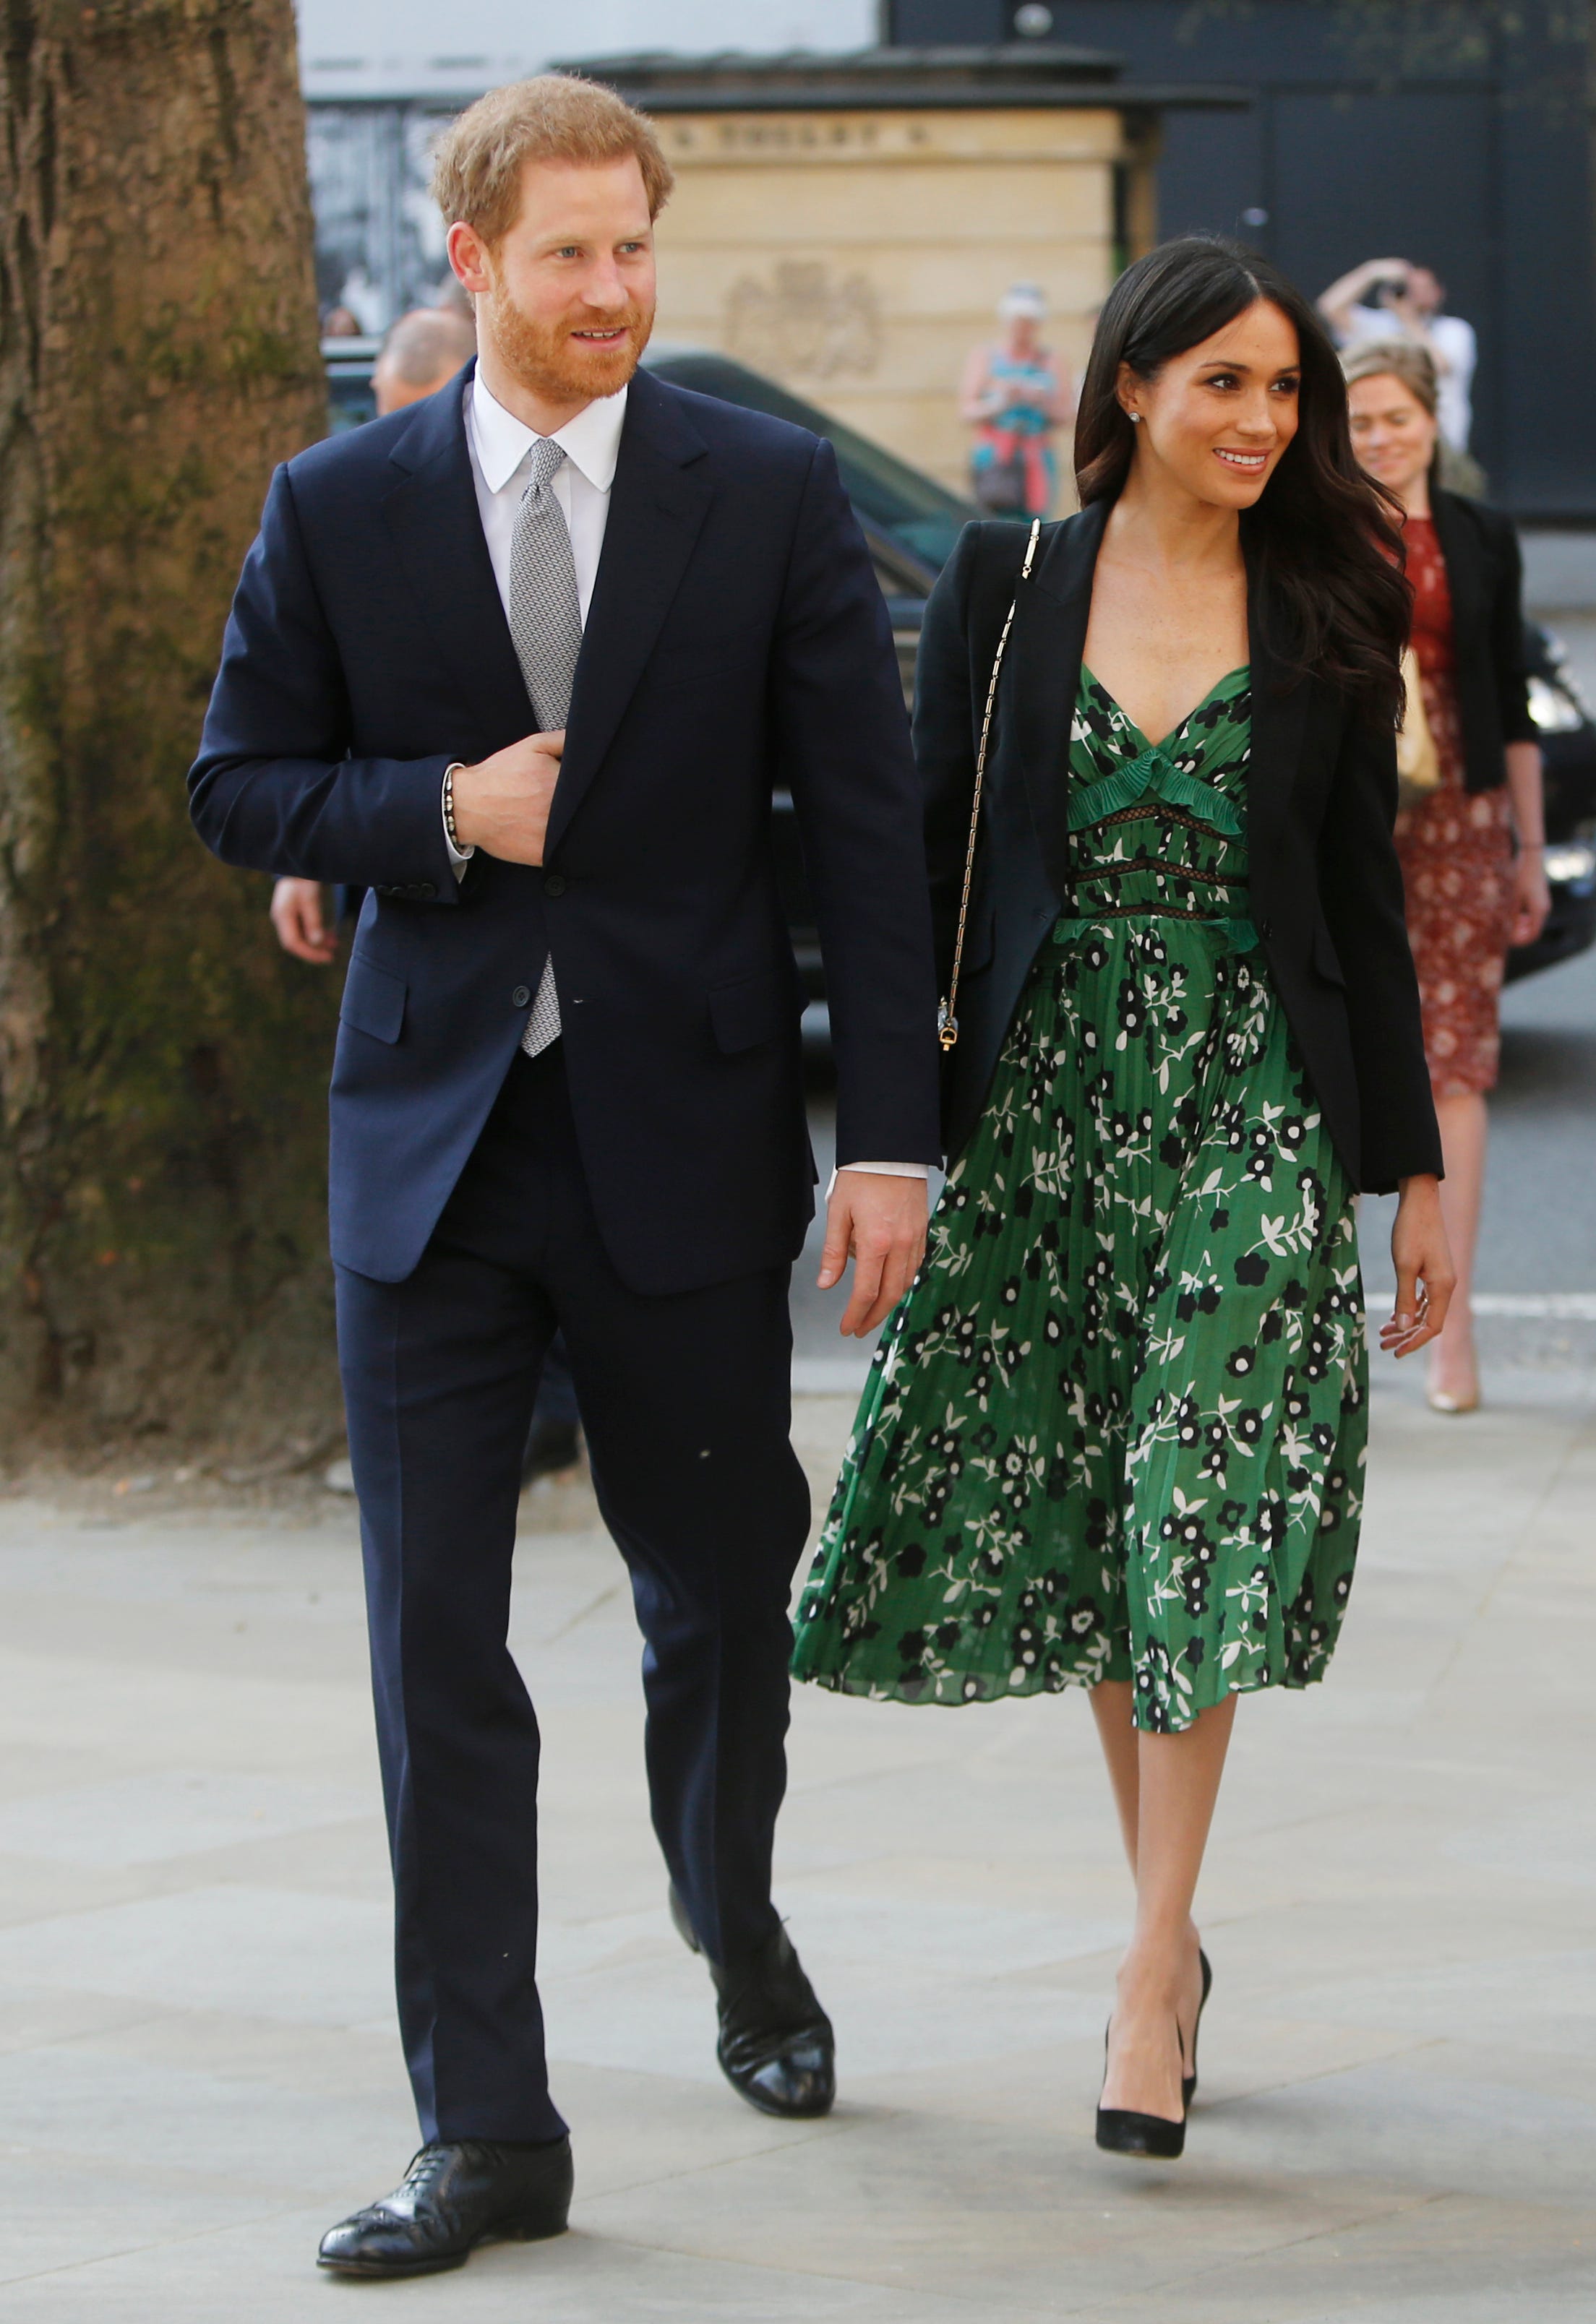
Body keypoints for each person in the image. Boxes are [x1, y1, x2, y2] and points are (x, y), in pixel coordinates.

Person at [190, 73, 940, 2278]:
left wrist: (886, 1133)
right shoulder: (338, 506)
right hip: (426, 1157)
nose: (614, 291)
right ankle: (485, 2125)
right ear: (473, 263)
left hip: (687, 1151)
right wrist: (432, 814)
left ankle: (736, 1927)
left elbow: (861, 838)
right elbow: (245, 783)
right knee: (435, 1647)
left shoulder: (767, 492)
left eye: (636, 249)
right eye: (570, 255)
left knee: (718, 1600)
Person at [794, 237, 1453, 2161]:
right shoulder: (1003, 587)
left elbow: (1359, 910)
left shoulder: (1334, 590)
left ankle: (1153, 1967)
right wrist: (894, 1148)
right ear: (1131, 391)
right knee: (1104, 1508)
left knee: (1204, 1494)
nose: (1263, 422)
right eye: (1226, 385)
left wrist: (1409, 1168)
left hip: (1250, 1091)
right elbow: (921, 875)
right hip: (1050, 1103)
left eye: (1285, 392)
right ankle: (1166, 1931)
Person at [1344, 340, 1548, 1413]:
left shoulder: (1477, 534)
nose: (1379, 437)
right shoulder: (1319, 529)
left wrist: (1526, 847)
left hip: (1461, 812)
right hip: (1345, 814)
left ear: (1430, 419)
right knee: (1336, 1047)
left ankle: (1452, 1332)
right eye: (1360, 422)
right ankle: (1336, 1314)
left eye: (1395, 417)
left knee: (1456, 1065)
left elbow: (1507, 693)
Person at [1317, 258, 1477, 455]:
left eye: (1422, 288)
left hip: (1444, 442)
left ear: (1438, 292)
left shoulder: (1454, 330)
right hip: (1381, 442)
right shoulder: (1380, 325)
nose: (1414, 295)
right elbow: (1329, 308)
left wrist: (1407, 318)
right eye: (1409, 288)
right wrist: (1372, 271)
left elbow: (1439, 365)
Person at [961, 283, 1073, 517]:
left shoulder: (1051, 360)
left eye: (1028, 323)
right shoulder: (985, 357)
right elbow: (967, 411)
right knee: (993, 521)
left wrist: (1041, 401)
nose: (1022, 329)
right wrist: (1000, 402)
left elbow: (1067, 414)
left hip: (1035, 457)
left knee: (1035, 526)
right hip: (995, 458)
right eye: (1018, 321)